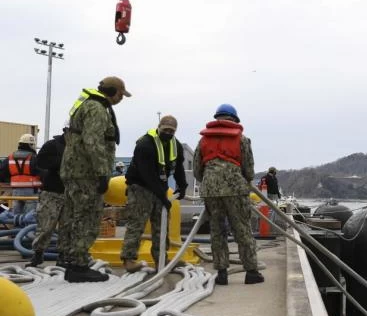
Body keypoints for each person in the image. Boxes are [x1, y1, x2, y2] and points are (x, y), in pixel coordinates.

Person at [60, 76, 130, 282]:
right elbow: (93, 142)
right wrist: (102, 173)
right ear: (113, 91)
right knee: (88, 217)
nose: (121, 98)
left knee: (73, 216)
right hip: (86, 173)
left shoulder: (87, 105)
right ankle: (78, 266)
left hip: (74, 169)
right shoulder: (97, 109)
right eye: (120, 94)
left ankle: (72, 260)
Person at [193, 103, 264, 286]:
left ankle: (222, 273)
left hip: (210, 189)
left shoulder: (203, 141)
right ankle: (251, 272)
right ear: (234, 119)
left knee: (217, 231)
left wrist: (210, 180)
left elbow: (196, 170)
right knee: (242, 229)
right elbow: (248, 169)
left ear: (216, 118)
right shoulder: (241, 139)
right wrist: (243, 179)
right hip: (235, 189)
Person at [120, 115, 188, 273]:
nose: (168, 133)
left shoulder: (175, 145)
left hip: (159, 188)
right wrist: (162, 196)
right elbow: (147, 174)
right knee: (136, 224)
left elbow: (178, 167)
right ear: (159, 127)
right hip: (140, 187)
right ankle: (129, 260)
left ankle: (161, 260)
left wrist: (182, 185)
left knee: (161, 225)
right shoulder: (145, 144)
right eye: (165, 130)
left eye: (172, 131)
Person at [28, 128, 68, 267]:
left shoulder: (80, 147)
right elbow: (40, 162)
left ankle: (63, 256)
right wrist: (63, 162)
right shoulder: (52, 145)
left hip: (71, 193)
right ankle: (38, 254)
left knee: (67, 227)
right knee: (45, 226)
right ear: (67, 130)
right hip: (51, 192)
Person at [0, 133, 42, 215]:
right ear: (31, 145)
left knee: (16, 217)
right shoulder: (35, 158)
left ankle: (16, 227)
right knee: (28, 218)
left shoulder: (10, 157)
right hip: (31, 192)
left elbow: (2, 173)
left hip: (16, 192)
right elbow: (42, 173)